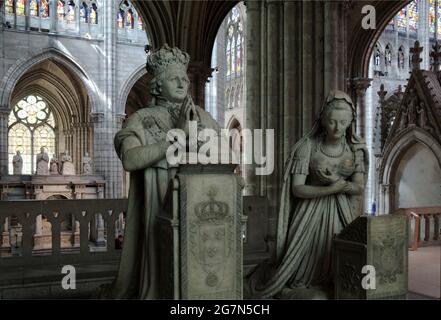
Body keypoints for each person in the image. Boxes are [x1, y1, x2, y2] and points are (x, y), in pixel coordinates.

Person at [104, 44, 220, 299]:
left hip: (199, 202)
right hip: (159, 201)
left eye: (185, 79)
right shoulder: (141, 118)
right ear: (157, 85)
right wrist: (176, 137)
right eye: (173, 78)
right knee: (163, 259)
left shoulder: (201, 116)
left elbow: (222, 153)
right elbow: (131, 160)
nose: (182, 83)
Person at [246, 90, 369, 299]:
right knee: (303, 270)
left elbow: (359, 187)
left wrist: (343, 186)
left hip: (343, 212)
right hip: (309, 216)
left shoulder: (355, 149)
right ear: (322, 120)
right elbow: (297, 188)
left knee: (341, 255)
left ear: (351, 122)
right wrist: (331, 188)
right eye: (332, 121)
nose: (337, 128)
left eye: (343, 122)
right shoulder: (307, 147)